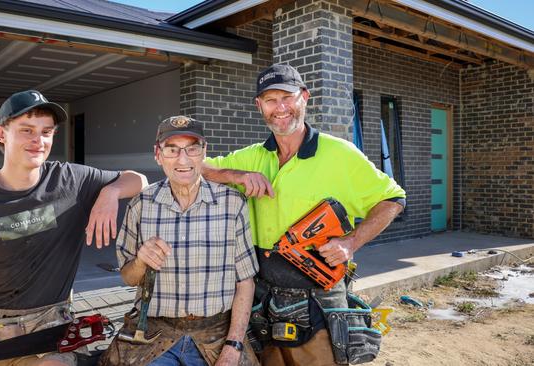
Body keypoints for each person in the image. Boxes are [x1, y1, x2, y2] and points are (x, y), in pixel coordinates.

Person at [202, 64, 406, 366]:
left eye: (287, 97)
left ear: (304, 97)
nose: (280, 107)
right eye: (270, 100)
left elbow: (393, 198)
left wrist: (351, 242)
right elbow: (200, 168)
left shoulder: (340, 154)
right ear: (259, 106)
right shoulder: (253, 156)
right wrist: (238, 174)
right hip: (263, 301)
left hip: (318, 303)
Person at [0, 89, 148, 366]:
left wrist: (110, 193)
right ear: (1, 134)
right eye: (27, 130)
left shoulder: (71, 180)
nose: (38, 141)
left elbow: (139, 180)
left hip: (51, 325)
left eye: (46, 132)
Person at [101, 116, 259, 366]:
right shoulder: (141, 204)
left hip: (217, 334)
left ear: (204, 152)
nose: (183, 160)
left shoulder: (232, 203)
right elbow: (128, 277)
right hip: (154, 334)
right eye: (172, 149)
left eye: (192, 149)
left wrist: (233, 345)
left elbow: (245, 282)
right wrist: (141, 261)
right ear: (158, 154)